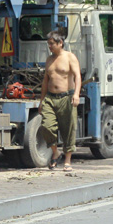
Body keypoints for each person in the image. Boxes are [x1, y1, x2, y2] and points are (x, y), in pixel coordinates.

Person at [38, 31, 81, 172]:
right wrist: (41, 100)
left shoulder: (70, 57)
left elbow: (77, 76)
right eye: (48, 43)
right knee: (46, 126)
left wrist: (76, 94)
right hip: (50, 98)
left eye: (52, 43)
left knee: (68, 129)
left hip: (66, 97)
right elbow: (46, 81)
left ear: (60, 43)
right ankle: (55, 152)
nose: (49, 46)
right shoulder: (49, 59)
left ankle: (67, 161)